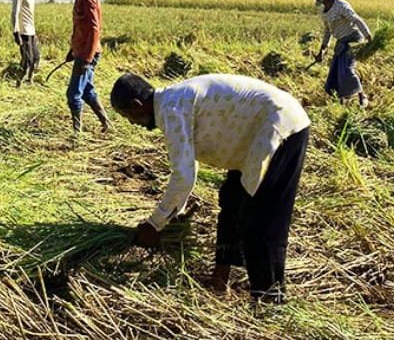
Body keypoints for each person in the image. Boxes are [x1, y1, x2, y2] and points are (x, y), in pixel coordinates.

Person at [110, 73, 311, 302]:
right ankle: (220, 278)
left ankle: (269, 298)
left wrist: (154, 225)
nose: (131, 123)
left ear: (137, 105)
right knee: (232, 200)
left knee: (260, 218)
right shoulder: (172, 101)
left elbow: (183, 176)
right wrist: (177, 211)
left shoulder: (170, 109)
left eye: (128, 116)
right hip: (255, 134)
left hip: (280, 126)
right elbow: (187, 164)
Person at [59, 0, 110, 133]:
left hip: (88, 53)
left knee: (73, 95)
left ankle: (77, 133)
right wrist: (73, 50)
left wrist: (86, 59)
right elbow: (80, 29)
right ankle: (107, 124)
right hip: (81, 51)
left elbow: (94, 30)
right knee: (87, 90)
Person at [314, 0, 373, 108]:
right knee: (335, 71)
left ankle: (362, 96)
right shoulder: (324, 12)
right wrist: (322, 50)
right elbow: (328, 31)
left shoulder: (341, 6)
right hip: (341, 42)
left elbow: (356, 19)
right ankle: (340, 101)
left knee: (346, 70)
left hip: (353, 40)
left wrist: (368, 36)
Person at [12, 0, 39, 86]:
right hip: (23, 31)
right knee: (27, 60)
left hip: (31, 30)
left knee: (36, 58)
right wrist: (16, 31)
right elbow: (15, 12)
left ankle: (30, 80)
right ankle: (18, 83)